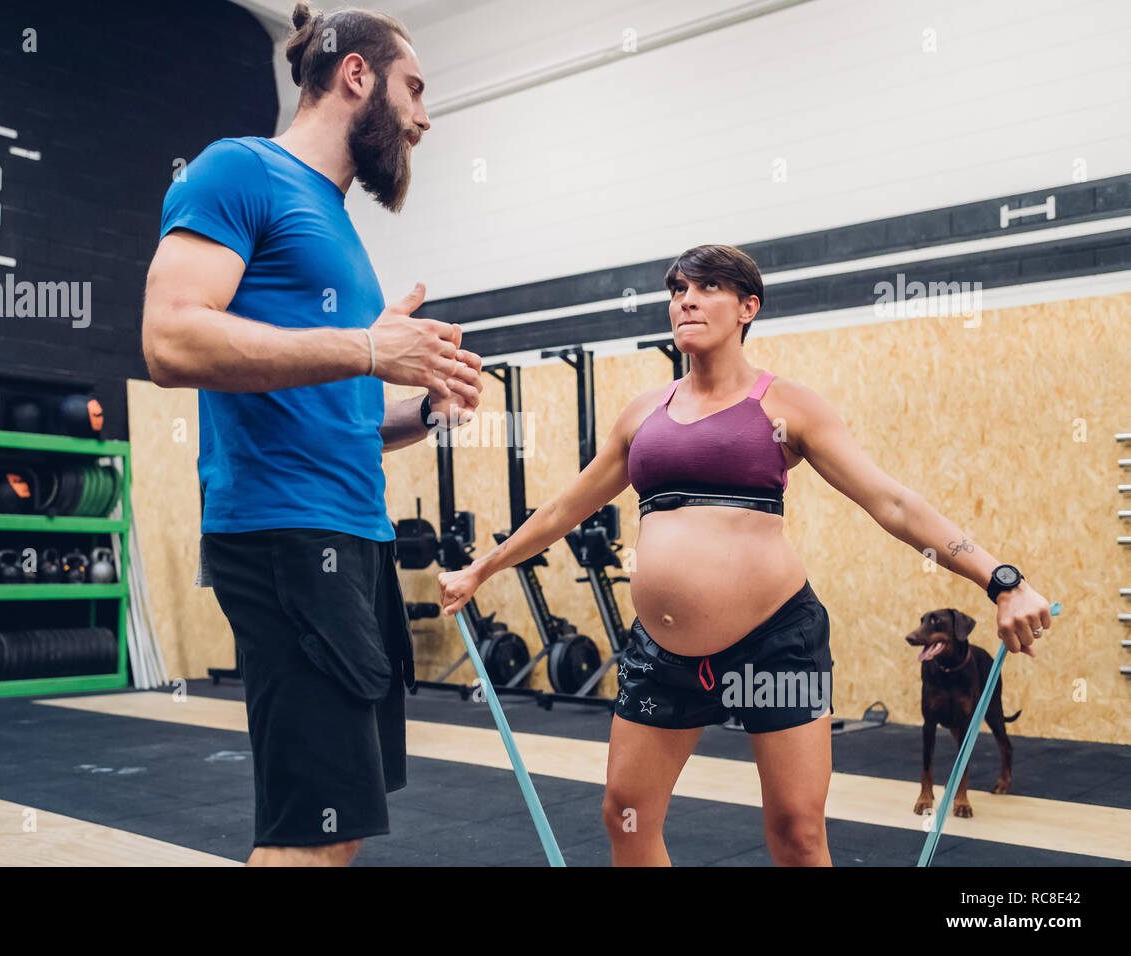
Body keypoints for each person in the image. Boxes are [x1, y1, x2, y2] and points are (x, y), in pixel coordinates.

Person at [438, 243, 1053, 867]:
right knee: (625, 815)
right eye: (678, 290)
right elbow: (563, 510)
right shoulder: (643, 413)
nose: (687, 300)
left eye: (706, 289)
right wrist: (480, 569)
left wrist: (1000, 579)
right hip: (660, 654)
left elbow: (893, 504)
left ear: (747, 307)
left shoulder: (786, 406)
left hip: (774, 642)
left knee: (797, 832)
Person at [142, 2, 482, 867]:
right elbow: (170, 338)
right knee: (308, 836)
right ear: (356, 75)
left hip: (351, 537)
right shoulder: (238, 171)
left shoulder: (338, 228)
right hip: (286, 536)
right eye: (414, 88)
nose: (424, 116)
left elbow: (335, 420)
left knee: (339, 826)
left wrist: (422, 404)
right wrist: (371, 346)